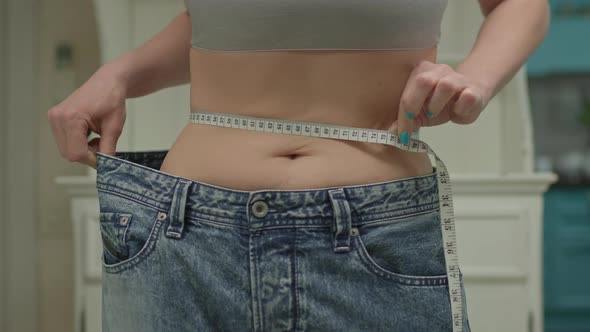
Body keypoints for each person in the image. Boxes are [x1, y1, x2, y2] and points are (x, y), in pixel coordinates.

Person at [47, 0, 550, 331]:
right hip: (184, 239)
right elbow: (217, 22)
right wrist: (120, 73)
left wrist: (474, 81)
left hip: (376, 236)